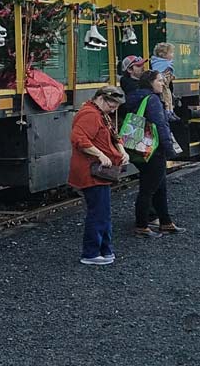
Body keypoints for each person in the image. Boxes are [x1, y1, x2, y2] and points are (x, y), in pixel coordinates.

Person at [69, 86, 129, 265]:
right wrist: (100, 154)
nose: (114, 109)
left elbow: (113, 135)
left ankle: (105, 249)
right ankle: (91, 253)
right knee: (99, 213)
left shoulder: (99, 113)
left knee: (103, 212)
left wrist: (121, 149)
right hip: (92, 172)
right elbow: (79, 138)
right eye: (113, 105)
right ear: (102, 99)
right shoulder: (90, 114)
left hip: (98, 172)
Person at [124, 69, 184, 238]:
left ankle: (165, 221)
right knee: (149, 189)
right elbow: (161, 125)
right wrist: (169, 148)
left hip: (141, 147)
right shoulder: (152, 100)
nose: (162, 83)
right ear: (150, 83)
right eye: (159, 80)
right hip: (154, 149)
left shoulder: (137, 97)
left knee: (159, 187)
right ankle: (142, 225)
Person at [150, 42, 178, 121]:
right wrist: (164, 78)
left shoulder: (164, 63)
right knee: (166, 97)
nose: (173, 55)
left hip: (166, 84)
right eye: (171, 53)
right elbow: (159, 73)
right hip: (163, 84)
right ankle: (168, 112)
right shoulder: (160, 63)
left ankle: (171, 111)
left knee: (169, 96)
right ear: (163, 54)